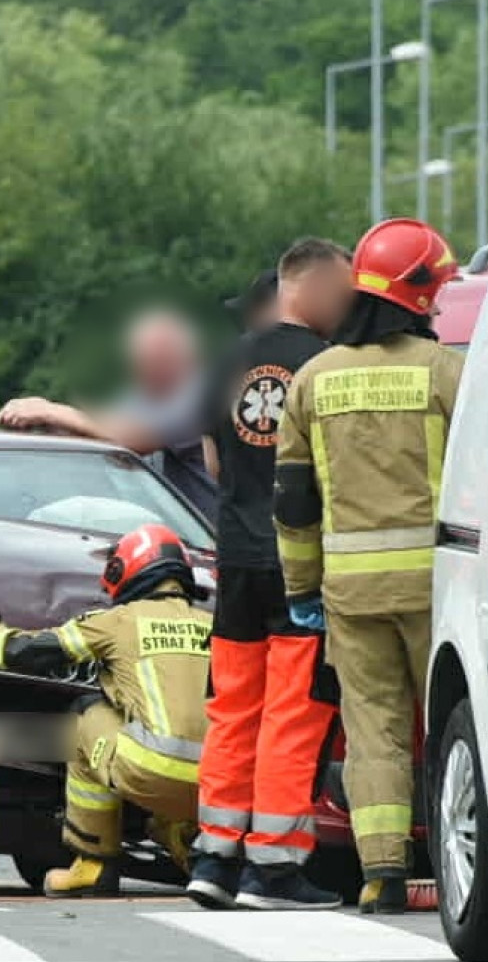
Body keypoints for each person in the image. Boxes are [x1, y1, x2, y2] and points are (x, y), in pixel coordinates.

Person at [273, 218, 464, 915]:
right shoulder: (448, 373)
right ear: (418, 294)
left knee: (374, 729)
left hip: (349, 590)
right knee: (450, 728)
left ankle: (381, 874)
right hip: (441, 589)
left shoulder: (314, 380)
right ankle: (457, 866)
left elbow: (293, 503)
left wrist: (303, 589)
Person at [187, 238, 355, 911]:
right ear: (307, 286)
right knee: (293, 715)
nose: (346, 307)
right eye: (341, 293)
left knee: (232, 711)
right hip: (299, 567)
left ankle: (215, 858)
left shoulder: (226, 361)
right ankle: (275, 871)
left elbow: (215, 464)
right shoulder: (325, 365)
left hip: (235, 564)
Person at [0, 524, 211, 898]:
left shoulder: (117, 621)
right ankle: (191, 849)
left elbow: (32, 651)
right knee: (172, 724)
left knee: (83, 719)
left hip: (151, 773)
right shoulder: (214, 624)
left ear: (124, 571)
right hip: (218, 785)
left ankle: (93, 863)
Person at [0, 309, 219, 519]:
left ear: (185, 358)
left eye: (157, 361)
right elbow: (104, 431)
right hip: (169, 534)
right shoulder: (144, 395)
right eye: (141, 362)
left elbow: (138, 439)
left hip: (212, 539)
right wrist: (47, 427)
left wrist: (52, 411)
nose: (146, 371)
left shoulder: (205, 395)